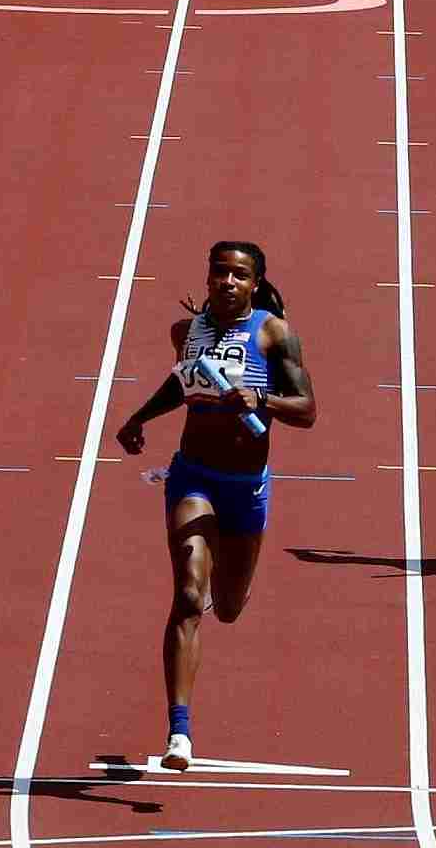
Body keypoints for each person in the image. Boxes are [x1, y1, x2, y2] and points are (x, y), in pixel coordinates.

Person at [113, 241, 315, 772]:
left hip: (245, 485)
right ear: (207, 278)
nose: (227, 281)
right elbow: (181, 386)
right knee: (186, 594)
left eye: (239, 274)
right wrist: (138, 418)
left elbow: (308, 409)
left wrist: (261, 400)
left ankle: (214, 588)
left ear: (255, 283)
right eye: (219, 272)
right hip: (193, 476)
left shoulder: (275, 334)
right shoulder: (188, 334)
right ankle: (179, 733)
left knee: (227, 608)